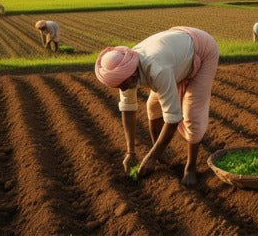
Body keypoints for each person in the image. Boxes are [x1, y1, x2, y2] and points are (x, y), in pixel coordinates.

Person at [94, 27, 219, 186]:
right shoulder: (125, 69)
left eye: (123, 85)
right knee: (153, 107)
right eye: (118, 86)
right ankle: (159, 155)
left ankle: (190, 168)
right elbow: (128, 108)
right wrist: (130, 153)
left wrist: (149, 157)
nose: (122, 89)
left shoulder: (157, 69)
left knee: (192, 114)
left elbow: (173, 118)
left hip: (202, 49)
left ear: (132, 74)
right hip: (175, 55)